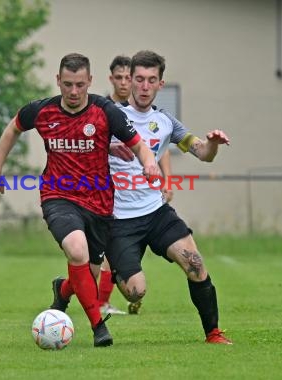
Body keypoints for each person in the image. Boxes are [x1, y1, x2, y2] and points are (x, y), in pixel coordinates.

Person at [0, 53, 159, 347]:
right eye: (67, 85)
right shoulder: (43, 111)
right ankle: (98, 328)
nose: (74, 92)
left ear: (90, 81)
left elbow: (139, 145)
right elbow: (13, 127)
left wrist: (149, 163)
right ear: (58, 81)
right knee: (76, 248)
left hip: (99, 203)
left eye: (80, 85)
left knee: (88, 275)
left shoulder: (106, 112)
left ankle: (63, 290)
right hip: (58, 195)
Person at [106, 50, 233, 344]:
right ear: (130, 81)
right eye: (139, 79)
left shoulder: (165, 122)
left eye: (152, 80)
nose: (144, 86)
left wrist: (212, 144)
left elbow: (202, 153)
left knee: (196, 263)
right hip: (119, 218)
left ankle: (213, 333)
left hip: (156, 212)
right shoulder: (111, 117)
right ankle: (114, 267)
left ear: (160, 84)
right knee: (135, 292)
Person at [98, 55, 173, 316]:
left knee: (109, 259)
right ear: (113, 80)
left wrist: (167, 179)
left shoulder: (153, 117)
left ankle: (106, 297)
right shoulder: (107, 110)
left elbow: (158, 147)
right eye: (119, 78)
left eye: (126, 77)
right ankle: (96, 299)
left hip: (143, 199)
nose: (123, 82)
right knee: (94, 255)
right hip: (110, 199)